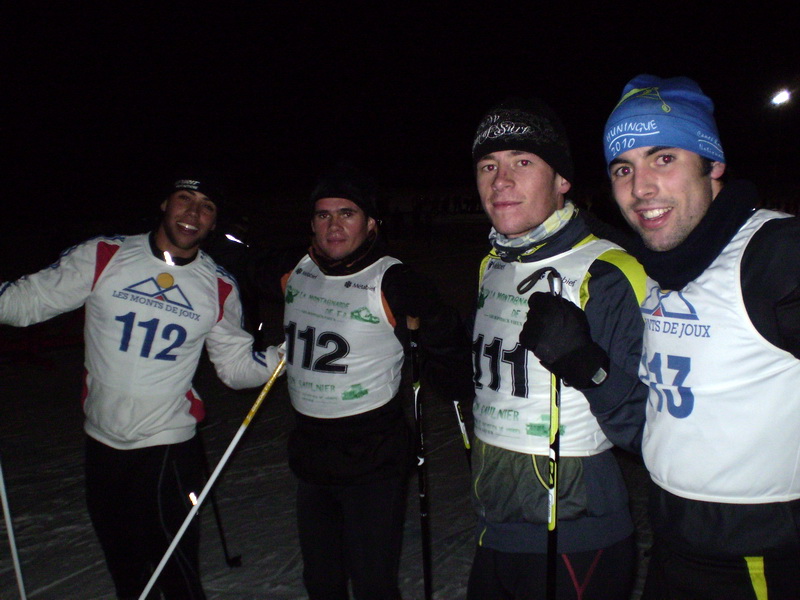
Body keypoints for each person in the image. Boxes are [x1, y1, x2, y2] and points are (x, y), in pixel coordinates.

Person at [0, 175, 284, 600]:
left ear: (213, 223)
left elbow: (236, 368)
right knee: (126, 572)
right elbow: (25, 303)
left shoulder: (219, 285)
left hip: (168, 448)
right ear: (165, 204)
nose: (193, 213)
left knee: (176, 572)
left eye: (206, 206)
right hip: (102, 444)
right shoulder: (105, 255)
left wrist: (289, 353)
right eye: (185, 199)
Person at [603, 74, 800, 599]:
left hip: (755, 558)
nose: (640, 187)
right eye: (624, 168)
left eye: (663, 158)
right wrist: (584, 367)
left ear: (712, 166)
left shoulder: (774, 254)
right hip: (672, 543)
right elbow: (667, 414)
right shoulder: (662, 267)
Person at [244, 163, 472, 600]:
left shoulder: (393, 280)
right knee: (322, 580)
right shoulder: (295, 269)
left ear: (370, 223)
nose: (333, 225)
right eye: (323, 214)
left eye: (346, 213)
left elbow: (453, 362)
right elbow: (236, 271)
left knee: (372, 581)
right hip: (311, 450)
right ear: (311, 222)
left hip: (372, 453)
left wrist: (435, 338)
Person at [466, 97, 649, 600]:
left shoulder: (608, 271)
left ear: (563, 180)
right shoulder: (492, 263)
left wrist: (588, 367)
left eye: (522, 163)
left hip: (573, 531)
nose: (500, 181)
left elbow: (653, 433)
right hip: (496, 523)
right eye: (488, 165)